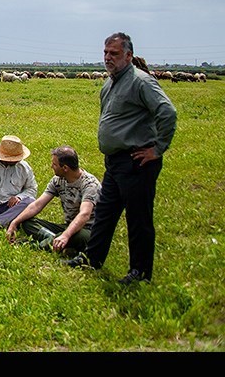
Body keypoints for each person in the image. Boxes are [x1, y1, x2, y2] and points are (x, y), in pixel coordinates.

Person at [63, 32, 177, 285]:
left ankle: (140, 273)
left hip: (137, 161)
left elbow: (167, 112)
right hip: (115, 161)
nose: (108, 58)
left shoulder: (141, 82)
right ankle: (93, 258)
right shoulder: (110, 83)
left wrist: (157, 149)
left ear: (128, 55)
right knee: (105, 212)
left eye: (114, 53)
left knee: (138, 218)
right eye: (105, 53)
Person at [6, 146, 100, 255]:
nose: (51, 166)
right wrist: (15, 222)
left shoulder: (90, 184)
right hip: (68, 226)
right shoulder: (58, 180)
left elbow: (84, 214)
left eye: (54, 164)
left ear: (65, 168)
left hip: (87, 230)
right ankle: (58, 243)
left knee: (77, 237)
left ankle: (38, 245)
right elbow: (37, 205)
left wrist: (66, 235)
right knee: (27, 222)